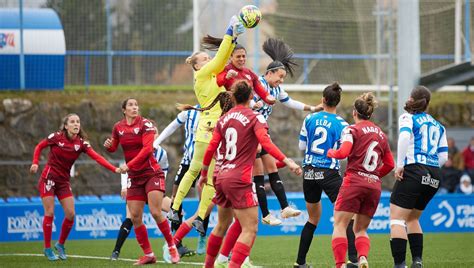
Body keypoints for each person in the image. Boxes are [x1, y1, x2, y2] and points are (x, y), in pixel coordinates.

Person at [167, 15, 275, 233]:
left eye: (207, 58)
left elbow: (223, 61)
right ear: (197, 66)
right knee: (201, 174)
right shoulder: (204, 74)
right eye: (204, 59)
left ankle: (187, 212)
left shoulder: (209, 76)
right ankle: (186, 211)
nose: (209, 61)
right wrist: (229, 32)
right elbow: (219, 61)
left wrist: (233, 39)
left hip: (211, 129)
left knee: (203, 175)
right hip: (210, 129)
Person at [200, 80, 302, 268]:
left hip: (221, 176)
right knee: (250, 227)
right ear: (251, 97)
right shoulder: (256, 117)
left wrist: (204, 173)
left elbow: (211, 148)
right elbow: (266, 143)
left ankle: (209, 265)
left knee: (222, 224)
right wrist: (287, 161)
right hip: (239, 179)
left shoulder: (224, 118)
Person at [30, 113, 120, 261]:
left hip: (63, 182)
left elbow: (97, 157)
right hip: (49, 180)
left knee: (71, 214)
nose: (76, 124)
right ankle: (47, 248)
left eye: (78, 121)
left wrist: (114, 169)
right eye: (72, 122)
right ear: (66, 126)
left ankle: (60, 245)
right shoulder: (56, 137)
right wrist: (35, 162)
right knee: (50, 213)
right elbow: (39, 146)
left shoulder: (82, 144)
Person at [250, 38, 321, 225]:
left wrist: (312, 108)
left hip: (261, 132)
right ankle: (265, 214)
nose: (281, 80)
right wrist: (252, 104)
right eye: (279, 76)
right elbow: (240, 99)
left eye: (283, 78)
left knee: (272, 169)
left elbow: (290, 102)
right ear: (269, 73)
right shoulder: (257, 83)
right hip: (250, 133)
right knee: (258, 173)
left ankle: (284, 208)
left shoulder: (276, 88)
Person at [104, 98, 179, 265]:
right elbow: (114, 147)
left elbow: (146, 150)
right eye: (130, 105)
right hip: (134, 178)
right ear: (124, 110)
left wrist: (128, 165)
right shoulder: (118, 127)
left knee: (155, 211)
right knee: (135, 216)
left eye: (136, 105)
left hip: (152, 173)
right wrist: (109, 146)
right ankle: (149, 254)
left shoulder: (146, 125)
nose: (134, 107)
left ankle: (172, 247)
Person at [294, 83, 359, 268]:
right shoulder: (342, 124)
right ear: (338, 102)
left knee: (313, 218)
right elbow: (344, 151)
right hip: (329, 174)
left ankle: (300, 263)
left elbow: (301, 147)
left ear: (323, 100)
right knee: (348, 217)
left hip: (309, 173)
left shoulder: (310, 119)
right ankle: (353, 260)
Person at [327, 92, 394, 268]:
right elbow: (390, 164)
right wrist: (374, 175)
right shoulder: (381, 134)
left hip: (354, 181)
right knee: (361, 229)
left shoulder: (351, 129)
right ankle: (362, 257)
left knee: (340, 225)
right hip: (373, 185)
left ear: (354, 113)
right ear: (370, 113)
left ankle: (340, 264)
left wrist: (331, 153)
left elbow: (343, 152)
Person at [389, 86, 448, 268]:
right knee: (413, 218)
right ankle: (417, 261)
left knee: (397, 219)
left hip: (415, 169)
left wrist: (400, 164)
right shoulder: (439, 126)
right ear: (427, 103)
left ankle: (400, 265)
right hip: (434, 174)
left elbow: (405, 137)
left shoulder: (408, 117)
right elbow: (444, 157)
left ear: (412, 100)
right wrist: (429, 170)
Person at [153, 106, 209, 255]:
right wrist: (156, 143)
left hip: (207, 163)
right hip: (188, 161)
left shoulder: (218, 111)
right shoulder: (188, 113)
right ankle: (175, 242)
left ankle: (202, 237)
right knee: (175, 200)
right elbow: (171, 127)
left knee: (206, 202)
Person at [110, 142, 173, 260]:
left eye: (155, 133)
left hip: (152, 186)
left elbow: (163, 170)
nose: (153, 136)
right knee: (131, 217)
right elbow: (126, 166)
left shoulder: (162, 153)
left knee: (177, 210)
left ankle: (173, 244)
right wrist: (124, 186)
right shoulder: (137, 146)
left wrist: (159, 189)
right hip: (136, 185)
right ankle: (116, 251)